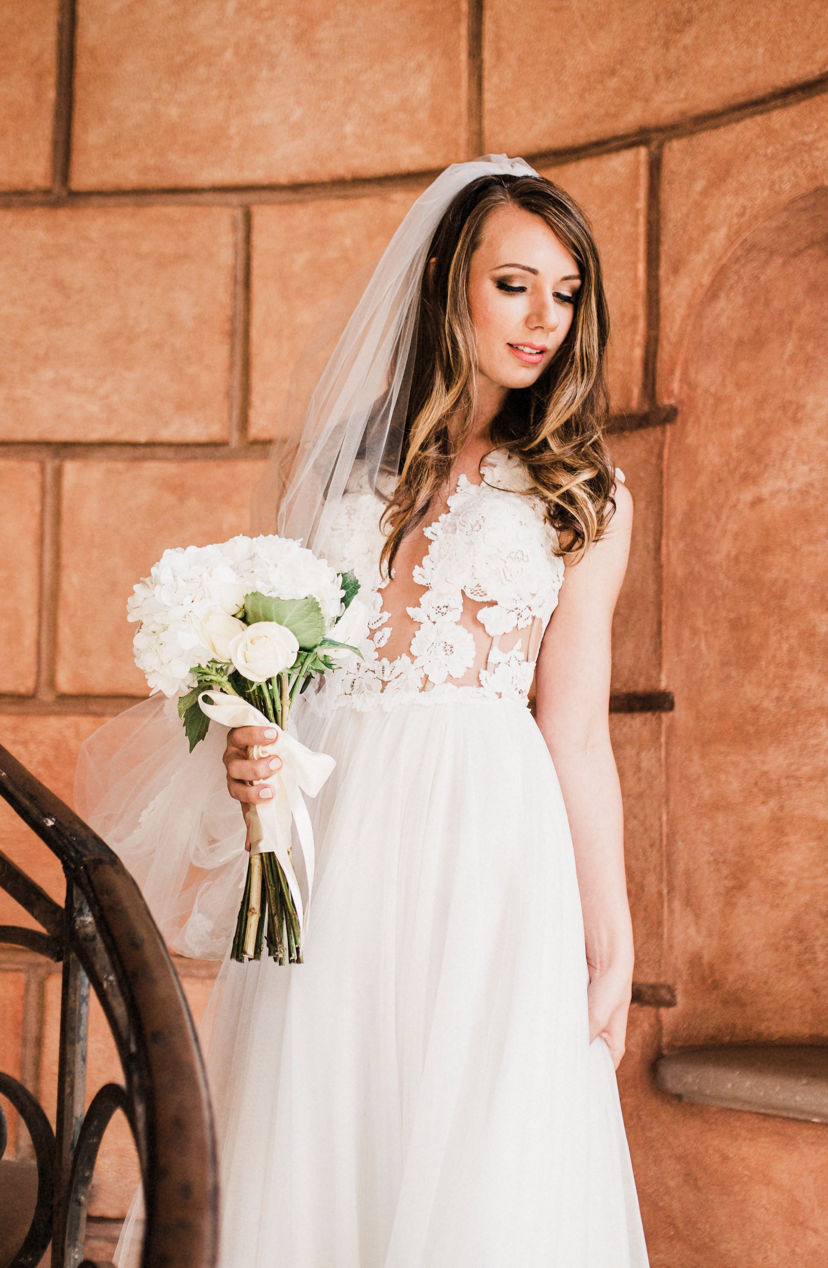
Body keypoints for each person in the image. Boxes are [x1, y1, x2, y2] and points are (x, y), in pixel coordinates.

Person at [77, 156, 648, 1267]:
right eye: (514, 284)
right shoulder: (334, 468)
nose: (543, 319)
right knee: (320, 1119)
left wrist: (610, 932)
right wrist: (253, 745)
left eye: (565, 292)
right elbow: (284, 674)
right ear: (448, 284)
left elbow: (574, 727)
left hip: (490, 844)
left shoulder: (584, 490)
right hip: (332, 837)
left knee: (481, 1138)